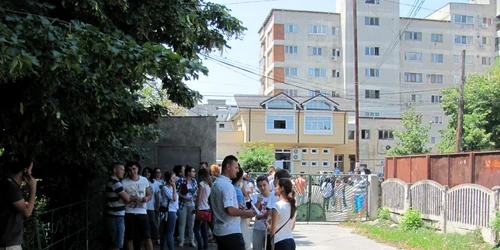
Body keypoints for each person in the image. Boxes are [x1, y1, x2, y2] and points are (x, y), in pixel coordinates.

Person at [210, 155, 256, 250]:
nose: (237, 171)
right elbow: (229, 210)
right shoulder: (227, 186)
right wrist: (246, 213)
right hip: (230, 232)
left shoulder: (215, 184)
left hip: (220, 231)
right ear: (228, 167)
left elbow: (218, 204)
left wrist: (236, 206)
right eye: (235, 167)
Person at [0, 155, 36, 250]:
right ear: (25, 171)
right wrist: (33, 187)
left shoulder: (8, 183)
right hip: (9, 244)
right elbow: (27, 212)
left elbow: (24, 206)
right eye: (30, 169)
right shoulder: (11, 187)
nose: (31, 172)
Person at [122, 161, 153, 250]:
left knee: (147, 237)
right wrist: (133, 199)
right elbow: (122, 199)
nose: (132, 171)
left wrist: (146, 199)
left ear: (138, 169)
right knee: (130, 238)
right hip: (129, 212)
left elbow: (149, 194)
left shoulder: (144, 180)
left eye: (134, 169)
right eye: (129, 170)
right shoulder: (124, 182)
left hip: (142, 212)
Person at [105, 162, 131, 250]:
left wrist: (123, 199)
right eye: (121, 169)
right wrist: (124, 199)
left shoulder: (112, 181)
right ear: (115, 170)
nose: (124, 172)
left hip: (115, 215)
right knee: (117, 244)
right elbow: (127, 199)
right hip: (116, 216)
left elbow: (125, 199)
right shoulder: (115, 183)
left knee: (116, 243)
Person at [268, 178, 297, 250]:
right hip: (291, 241)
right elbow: (292, 227)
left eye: (276, 186)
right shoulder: (293, 206)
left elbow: (273, 230)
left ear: (282, 188)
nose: (274, 188)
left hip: (280, 242)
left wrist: (267, 224)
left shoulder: (277, 206)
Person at [176, 165, 198, 247]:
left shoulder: (194, 181)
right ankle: (181, 240)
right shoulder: (181, 180)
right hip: (182, 204)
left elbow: (196, 192)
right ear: (188, 172)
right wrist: (184, 197)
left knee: (191, 223)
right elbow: (177, 192)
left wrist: (194, 196)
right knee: (182, 223)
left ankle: (192, 240)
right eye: (193, 171)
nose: (194, 173)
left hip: (192, 204)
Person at [193, 168, 212, 250]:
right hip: (206, 208)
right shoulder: (208, 185)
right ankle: (205, 247)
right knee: (204, 229)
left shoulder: (201, 184)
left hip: (200, 209)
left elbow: (199, 197)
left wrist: (196, 206)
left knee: (196, 229)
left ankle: (200, 246)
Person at [159, 171, 178, 250]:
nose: (174, 180)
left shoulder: (171, 188)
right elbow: (173, 198)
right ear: (168, 179)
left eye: (175, 178)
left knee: (166, 232)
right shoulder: (165, 188)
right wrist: (174, 187)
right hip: (168, 211)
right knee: (169, 232)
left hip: (172, 211)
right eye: (172, 178)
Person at [252, 176, 271, 250]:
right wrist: (258, 202)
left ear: (268, 184)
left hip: (269, 228)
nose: (262, 188)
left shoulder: (273, 196)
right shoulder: (255, 197)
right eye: (260, 186)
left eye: (264, 185)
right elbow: (254, 212)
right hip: (258, 228)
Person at [143, 167, 160, 244]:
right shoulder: (141, 181)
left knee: (153, 222)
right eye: (145, 172)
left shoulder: (154, 183)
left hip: (151, 206)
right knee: (145, 223)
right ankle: (146, 238)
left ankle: (156, 237)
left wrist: (157, 206)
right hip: (142, 206)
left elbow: (156, 195)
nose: (147, 173)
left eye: (148, 172)